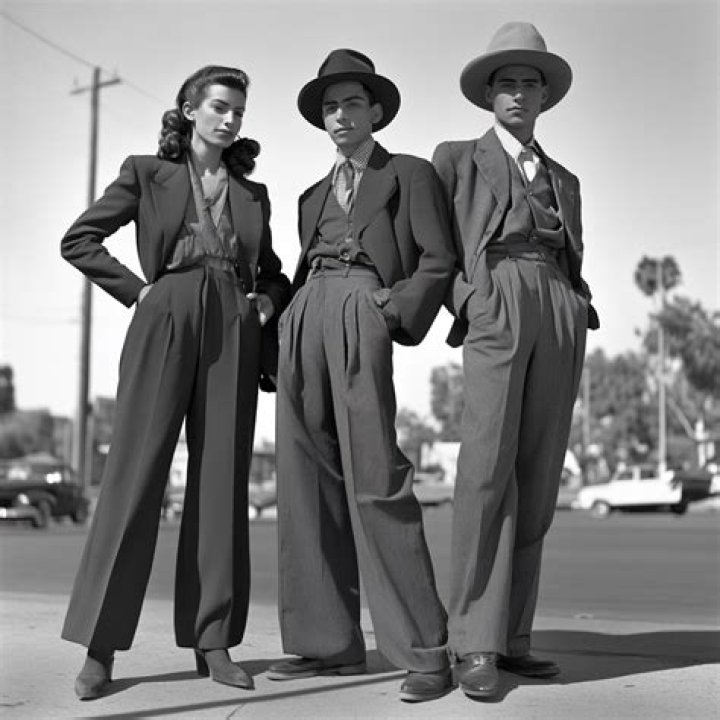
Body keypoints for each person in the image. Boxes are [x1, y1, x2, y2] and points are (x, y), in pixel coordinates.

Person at [60, 65, 290, 700]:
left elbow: (273, 271)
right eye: (219, 107)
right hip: (165, 314)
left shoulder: (253, 194)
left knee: (221, 483)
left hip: (233, 328)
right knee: (134, 475)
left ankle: (212, 641)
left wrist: (265, 303)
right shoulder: (147, 173)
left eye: (238, 111)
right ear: (190, 109)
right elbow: (79, 239)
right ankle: (100, 646)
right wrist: (140, 293)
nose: (230, 119)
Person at [267, 49, 455, 704]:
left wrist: (391, 310)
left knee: (377, 476)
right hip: (305, 316)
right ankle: (327, 645)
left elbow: (437, 258)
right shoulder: (309, 197)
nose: (340, 115)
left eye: (351, 102)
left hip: (362, 307)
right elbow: (297, 268)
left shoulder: (409, 174)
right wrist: (284, 324)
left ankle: (425, 651)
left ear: (375, 110)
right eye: (330, 106)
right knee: (303, 481)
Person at [432, 22, 599, 699]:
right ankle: (473, 642)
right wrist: (468, 300)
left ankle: (513, 637)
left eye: (532, 83)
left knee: (538, 473)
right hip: (495, 295)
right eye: (508, 82)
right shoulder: (455, 159)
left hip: (556, 302)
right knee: (484, 469)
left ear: (545, 95)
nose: (520, 93)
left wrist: (576, 303)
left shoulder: (565, 178)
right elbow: (435, 246)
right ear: (489, 94)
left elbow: (572, 250)